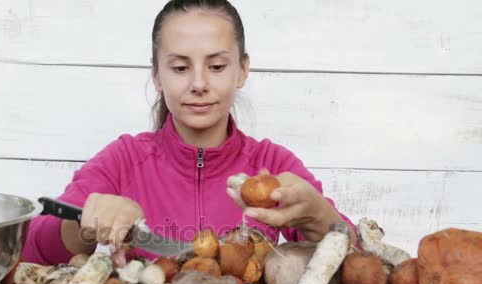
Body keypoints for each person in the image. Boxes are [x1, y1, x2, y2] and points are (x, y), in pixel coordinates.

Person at [21, 0, 355, 267]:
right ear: (156, 75)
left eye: (217, 66)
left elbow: (360, 266)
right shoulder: (122, 160)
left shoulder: (273, 164)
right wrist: (82, 226)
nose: (198, 84)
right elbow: (30, 249)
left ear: (242, 70)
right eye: (180, 68)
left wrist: (318, 217)